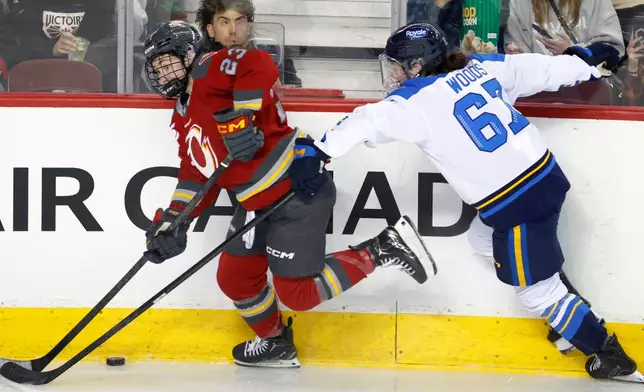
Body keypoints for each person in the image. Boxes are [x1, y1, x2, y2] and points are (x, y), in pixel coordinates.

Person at [290, 21, 643, 383]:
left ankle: (607, 354)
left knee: (536, 293)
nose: (394, 73)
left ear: (415, 66)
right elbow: (539, 69)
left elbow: (365, 122)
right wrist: (585, 61)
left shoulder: (413, 101)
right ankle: (563, 307)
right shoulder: (481, 67)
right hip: (544, 177)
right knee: (481, 239)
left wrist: (317, 150)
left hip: (517, 202)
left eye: (397, 65)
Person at [141, 21, 435, 368]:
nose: (161, 73)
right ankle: (275, 343)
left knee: (298, 293)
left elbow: (260, 63)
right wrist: (175, 222)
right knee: (235, 276)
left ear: (189, 54)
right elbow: (196, 173)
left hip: (293, 190)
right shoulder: (182, 113)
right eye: (156, 68)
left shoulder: (210, 67)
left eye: (166, 62)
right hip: (254, 204)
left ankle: (383, 247)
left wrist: (242, 117)